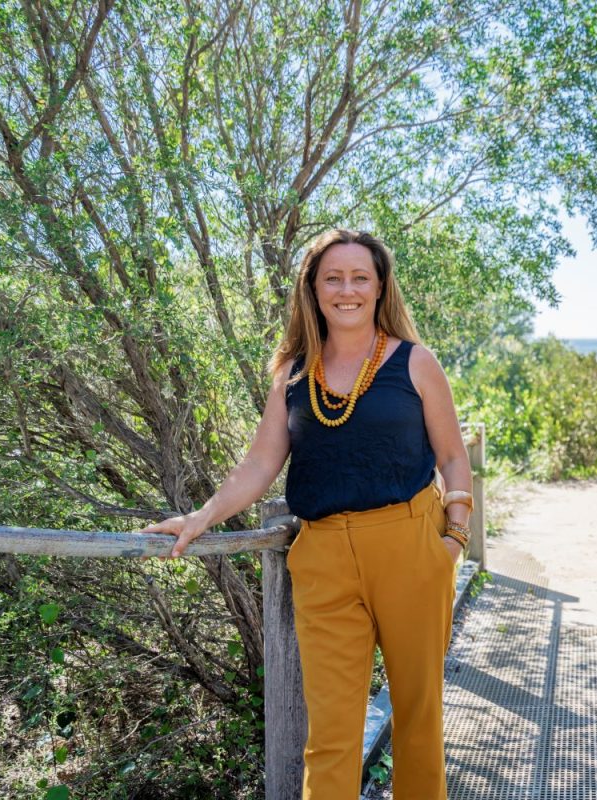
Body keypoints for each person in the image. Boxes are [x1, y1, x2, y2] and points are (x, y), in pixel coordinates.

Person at [137, 228, 472, 799]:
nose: (347, 289)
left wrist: (454, 541)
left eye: (359, 277)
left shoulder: (416, 362)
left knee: (418, 724)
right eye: (333, 278)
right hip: (322, 560)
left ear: (379, 286)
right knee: (332, 736)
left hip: (411, 549)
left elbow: (452, 457)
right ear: (313, 291)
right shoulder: (293, 373)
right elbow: (261, 463)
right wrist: (201, 517)